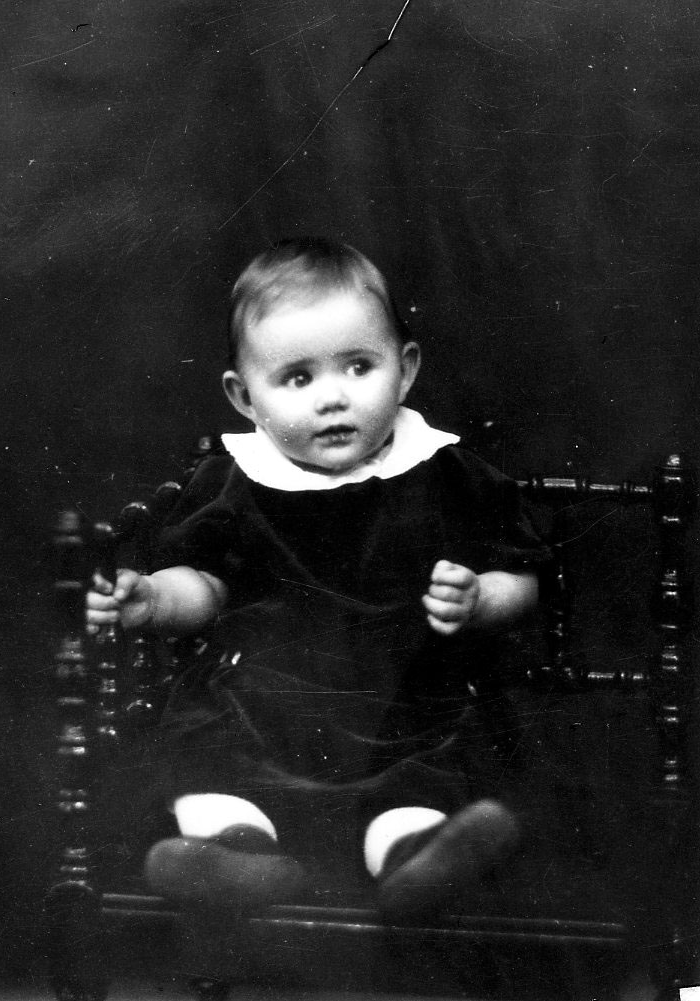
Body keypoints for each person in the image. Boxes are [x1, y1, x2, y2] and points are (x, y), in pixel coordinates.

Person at [87, 237, 550, 923]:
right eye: (298, 378)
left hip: (402, 705)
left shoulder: (442, 472)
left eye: (359, 367)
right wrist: (153, 599)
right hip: (261, 706)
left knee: (421, 784)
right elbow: (206, 587)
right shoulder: (237, 482)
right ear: (245, 397)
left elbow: (525, 579)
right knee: (211, 765)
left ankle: (416, 860)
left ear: (405, 370)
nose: (333, 397)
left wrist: (480, 596)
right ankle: (233, 856)